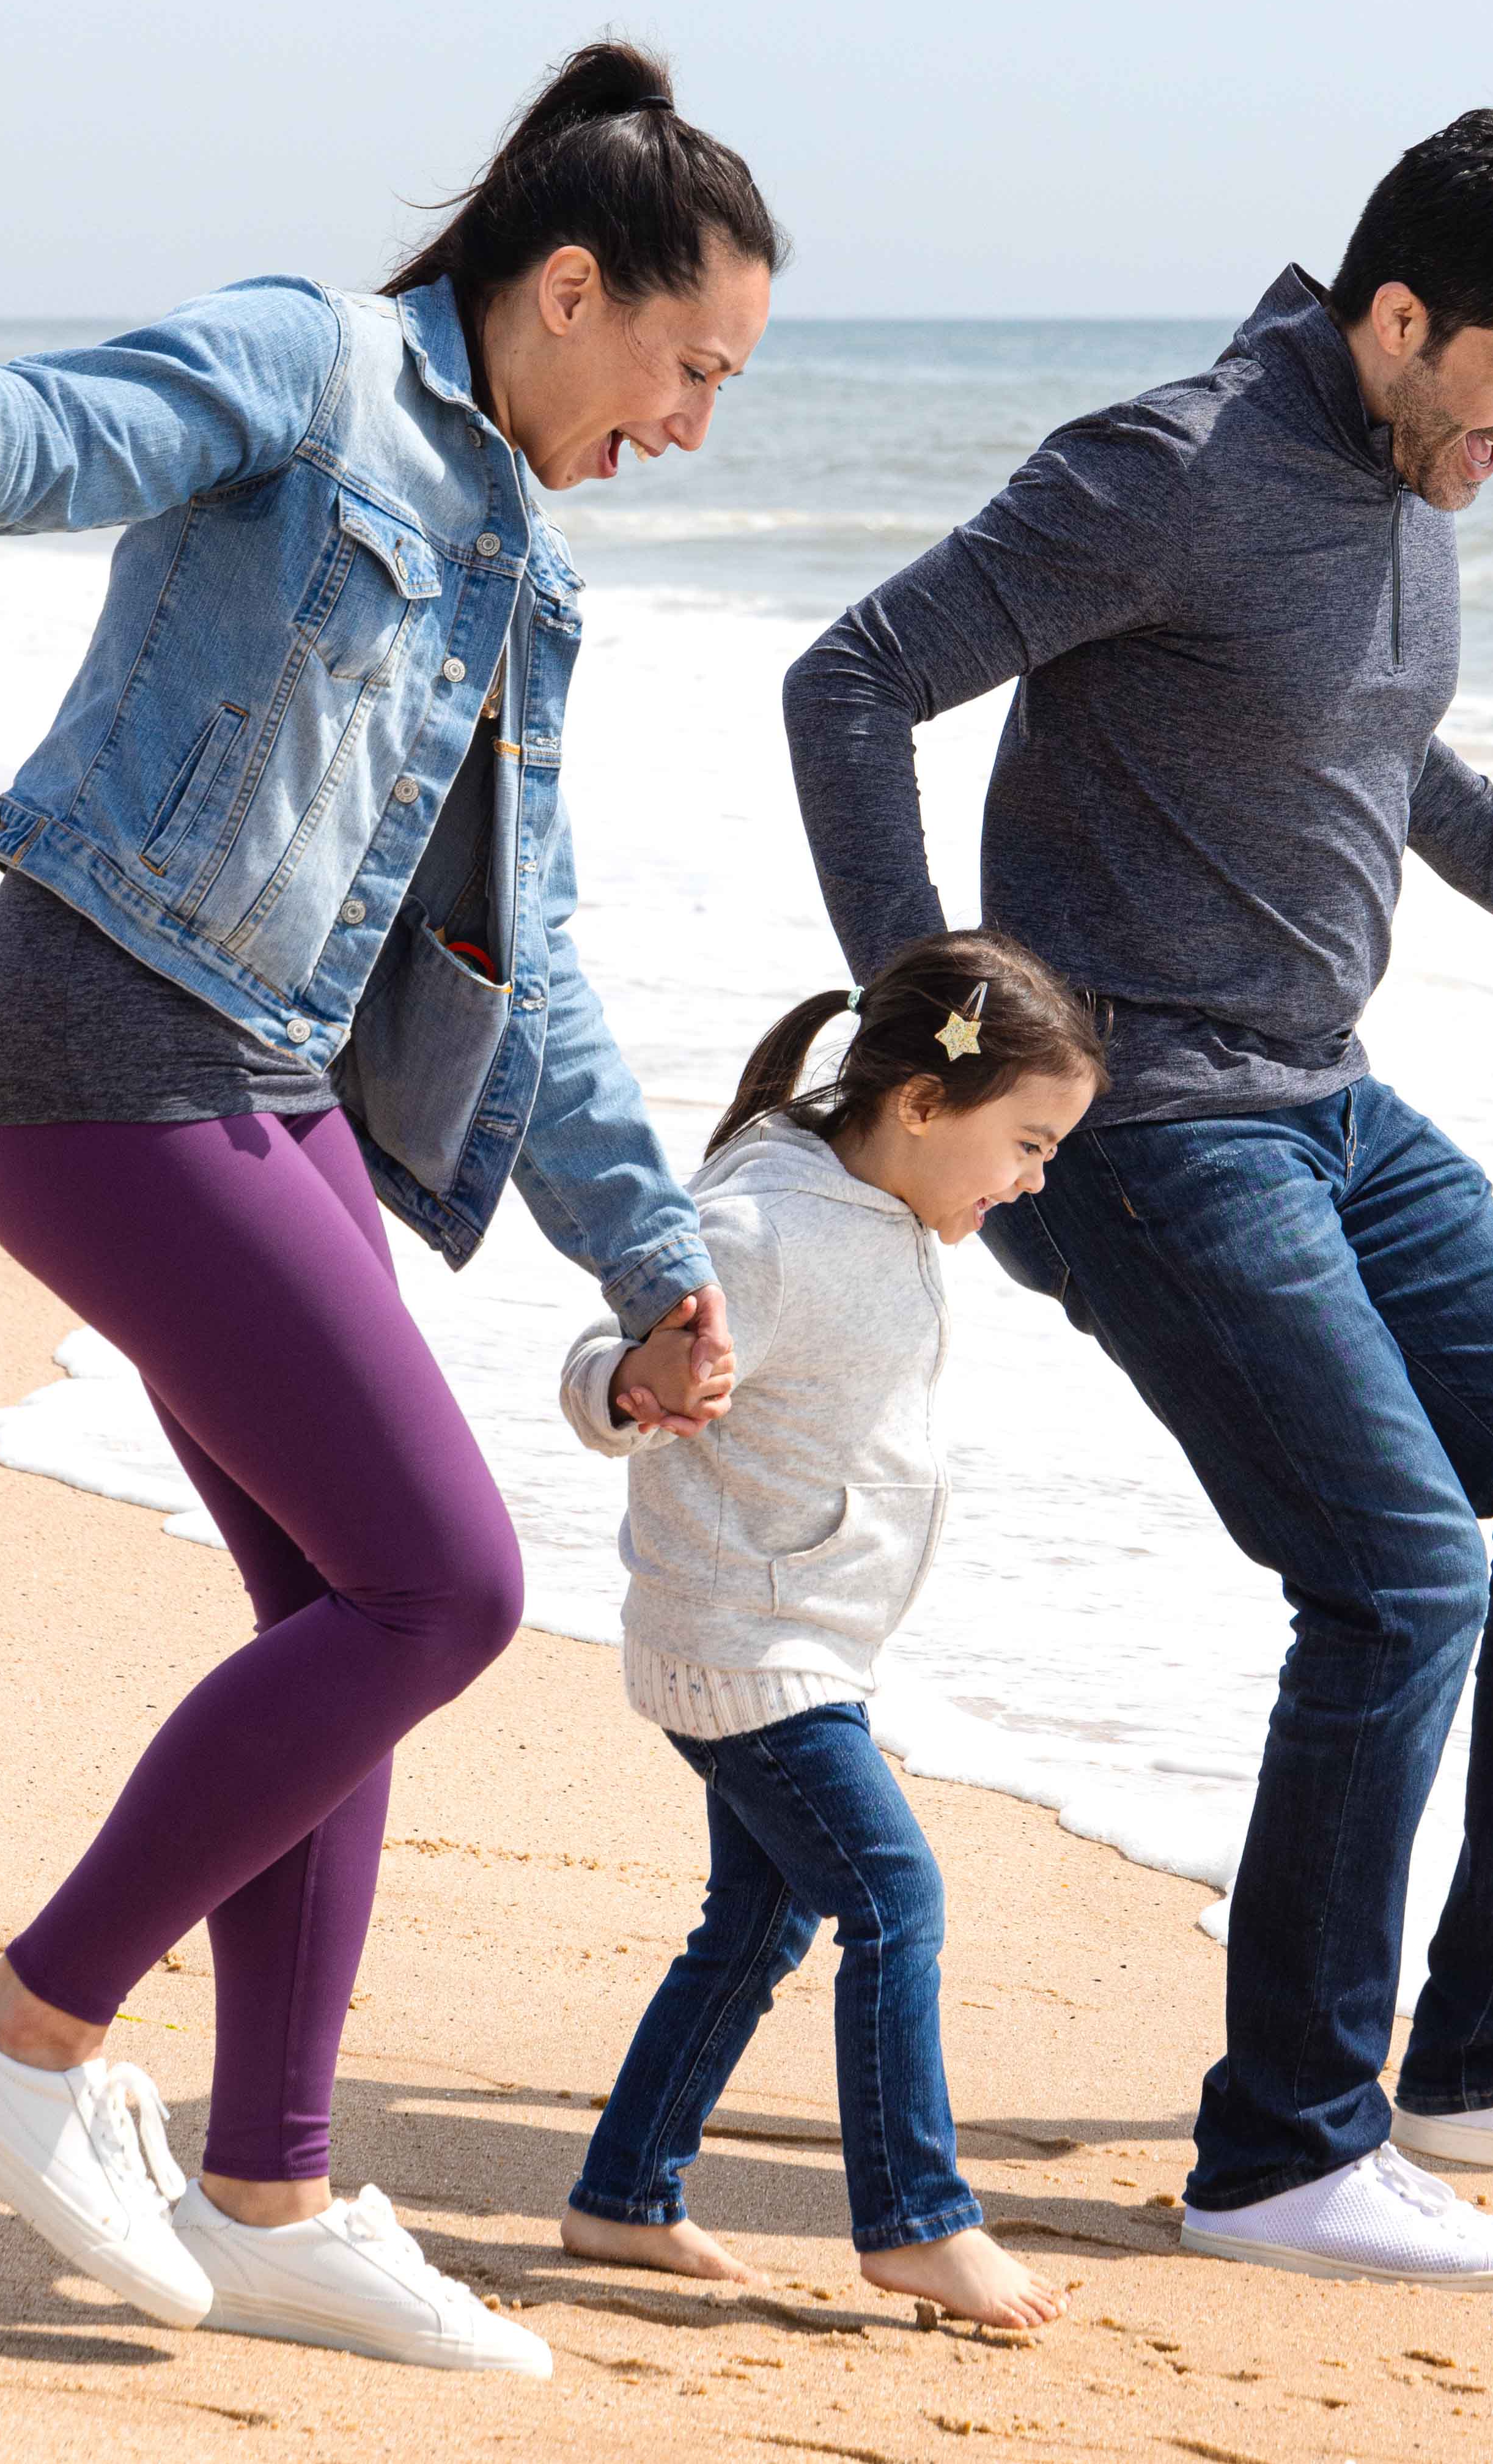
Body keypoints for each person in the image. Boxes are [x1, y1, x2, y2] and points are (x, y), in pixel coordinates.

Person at [0, 41, 784, 2372]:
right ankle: (24, 2031)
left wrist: (654, 1247)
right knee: (448, 1581)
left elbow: (533, 952)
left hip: (266, 1073)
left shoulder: (520, 556)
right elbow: (45, 445)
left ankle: (275, 2180)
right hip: (102, 1039)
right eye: (688, 364)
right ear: (564, 285)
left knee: (346, 1603)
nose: (695, 422)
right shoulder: (314, 360)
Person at [783, 109, 1493, 2290]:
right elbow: (850, 677)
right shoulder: (1167, 464)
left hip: (1330, 1096)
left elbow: (1366, 743)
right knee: (1404, 1566)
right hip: (1144, 1126)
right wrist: (936, 1047)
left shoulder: (1405, 472)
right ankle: (1284, 2155)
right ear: (1396, 315)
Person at [551, 931, 1101, 2329]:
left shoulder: (884, 1205)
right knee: (892, 1894)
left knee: (759, 1913)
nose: (1036, 1177)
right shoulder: (766, 1227)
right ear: (921, 1104)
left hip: (799, 1637)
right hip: (745, 1642)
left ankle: (625, 2193)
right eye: (1026, 1141)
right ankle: (915, 2217)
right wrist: (634, 1377)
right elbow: (592, 1361)